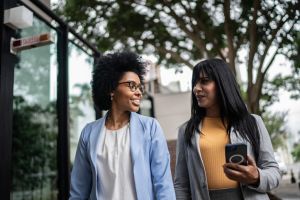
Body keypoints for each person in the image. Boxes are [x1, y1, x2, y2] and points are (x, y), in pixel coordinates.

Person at [69, 51, 175, 200]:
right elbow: (79, 191)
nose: (138, 92)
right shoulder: (89, 133)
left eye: (140, 87)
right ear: (111, 89)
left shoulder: (150, 128)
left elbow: (163, 185)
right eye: (132, 86)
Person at [174, 58, 281, 200]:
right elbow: (181, 185)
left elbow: (274, 172)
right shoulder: (186, 130)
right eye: (195, 83)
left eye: (204, 81)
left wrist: (256, 176)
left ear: (222, 84)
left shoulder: (253, 123)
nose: (196, 88)